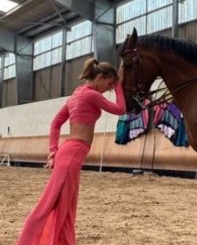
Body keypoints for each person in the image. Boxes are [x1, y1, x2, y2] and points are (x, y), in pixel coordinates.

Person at [16, 58, 126, 245]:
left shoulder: (76, 95)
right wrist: (118, 87)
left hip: (68, 153)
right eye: (107, 84)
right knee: (50, 204)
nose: (107, 89)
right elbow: (121, 109)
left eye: (111, 87)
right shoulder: (91, 95)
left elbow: (55, 124)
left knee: (66, 206)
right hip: (73, 154)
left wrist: (53, 152)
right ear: (100, 77)